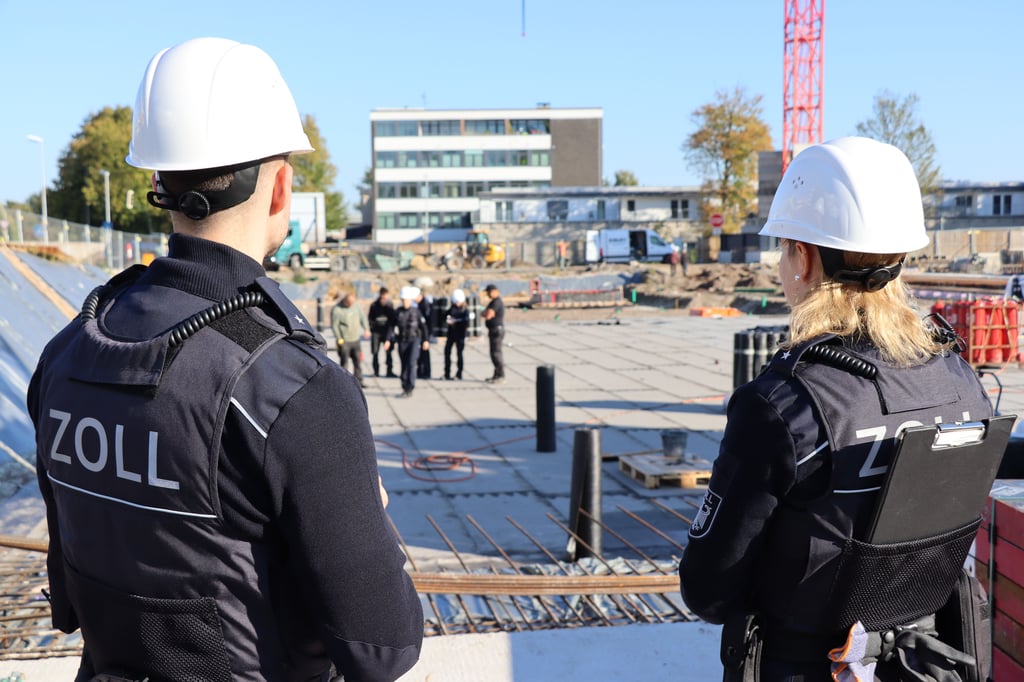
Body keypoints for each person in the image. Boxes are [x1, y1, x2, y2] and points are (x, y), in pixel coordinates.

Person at [26, 37, 422, 682]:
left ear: (157, 182)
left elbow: (71, 592)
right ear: (280, 188)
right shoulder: (293, 389)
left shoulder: (69, 350)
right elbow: (383, 650)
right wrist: (367, 517)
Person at [678, 137, 994, 682]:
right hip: (929, 662)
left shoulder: (782, 405)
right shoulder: (960, 380)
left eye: (783, 249)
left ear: (803, 256)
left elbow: (709, 589)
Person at [385, 286, 429, 397]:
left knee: (411, 363)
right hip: (402, 341)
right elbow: (390, 327)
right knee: (404, 364)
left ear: (410, 300)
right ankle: (405, 386)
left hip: (414, 340)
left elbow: (423, 327)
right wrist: (387, 340)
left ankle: (410, 386)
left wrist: (426, 340)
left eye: (407, 300)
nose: (405, 302)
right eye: (403, 300)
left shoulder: (416, 312)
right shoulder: (397, 312)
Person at [331, 291, 370, 387]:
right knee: (344, 363)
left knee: (357, 362)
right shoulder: (337, 310)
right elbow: (335, 326)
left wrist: (366, 329)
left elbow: (362, 318)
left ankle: (359, 381)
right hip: (344, 341)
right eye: (349, 304)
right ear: (345, 301)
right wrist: (339, 338)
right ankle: (344, 384)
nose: (351, 306)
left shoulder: (356, 306)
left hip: (355, 340)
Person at [369, 287, 398, 377]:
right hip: (376, 332)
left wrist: (390, 335)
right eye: (383, 296)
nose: (384, 299)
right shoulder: (374, 305)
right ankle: (376, 371)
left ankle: (389, 371)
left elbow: (393, 320)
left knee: (389, 353)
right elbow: (370, 318)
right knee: (375, 352)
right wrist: (372, 329)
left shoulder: (390, 305)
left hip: (387, 332)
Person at [444, 288, 470, 380]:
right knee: (447, 352)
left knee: (459, 354)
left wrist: (456, 321)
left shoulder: (465, 310)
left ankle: (459, 374)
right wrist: (448, 319)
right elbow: (446, 315)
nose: (456, 304)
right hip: (451, 334)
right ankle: (446, 373)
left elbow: (466, 321)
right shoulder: (452, 307)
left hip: (460, 334)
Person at [483, 283, 506, 384]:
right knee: (493, 353)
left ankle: (501, 375)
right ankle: (496, 374)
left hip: (496, 330)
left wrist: (485, 313)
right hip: (493, 330)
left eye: (489, 292)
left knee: (496, 354)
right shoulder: (493, 302)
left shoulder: (497, 302)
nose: (488, 294)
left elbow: (488, 315)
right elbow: (484, 312)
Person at [416, 290, 434, 379]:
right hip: (421, 333)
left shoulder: (425, 305)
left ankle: (426, 372)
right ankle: (420, 371)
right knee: (420, 354)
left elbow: (427, 323)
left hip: (425, 333)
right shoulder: (419, 305)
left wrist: (427, 338)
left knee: (425, 354)